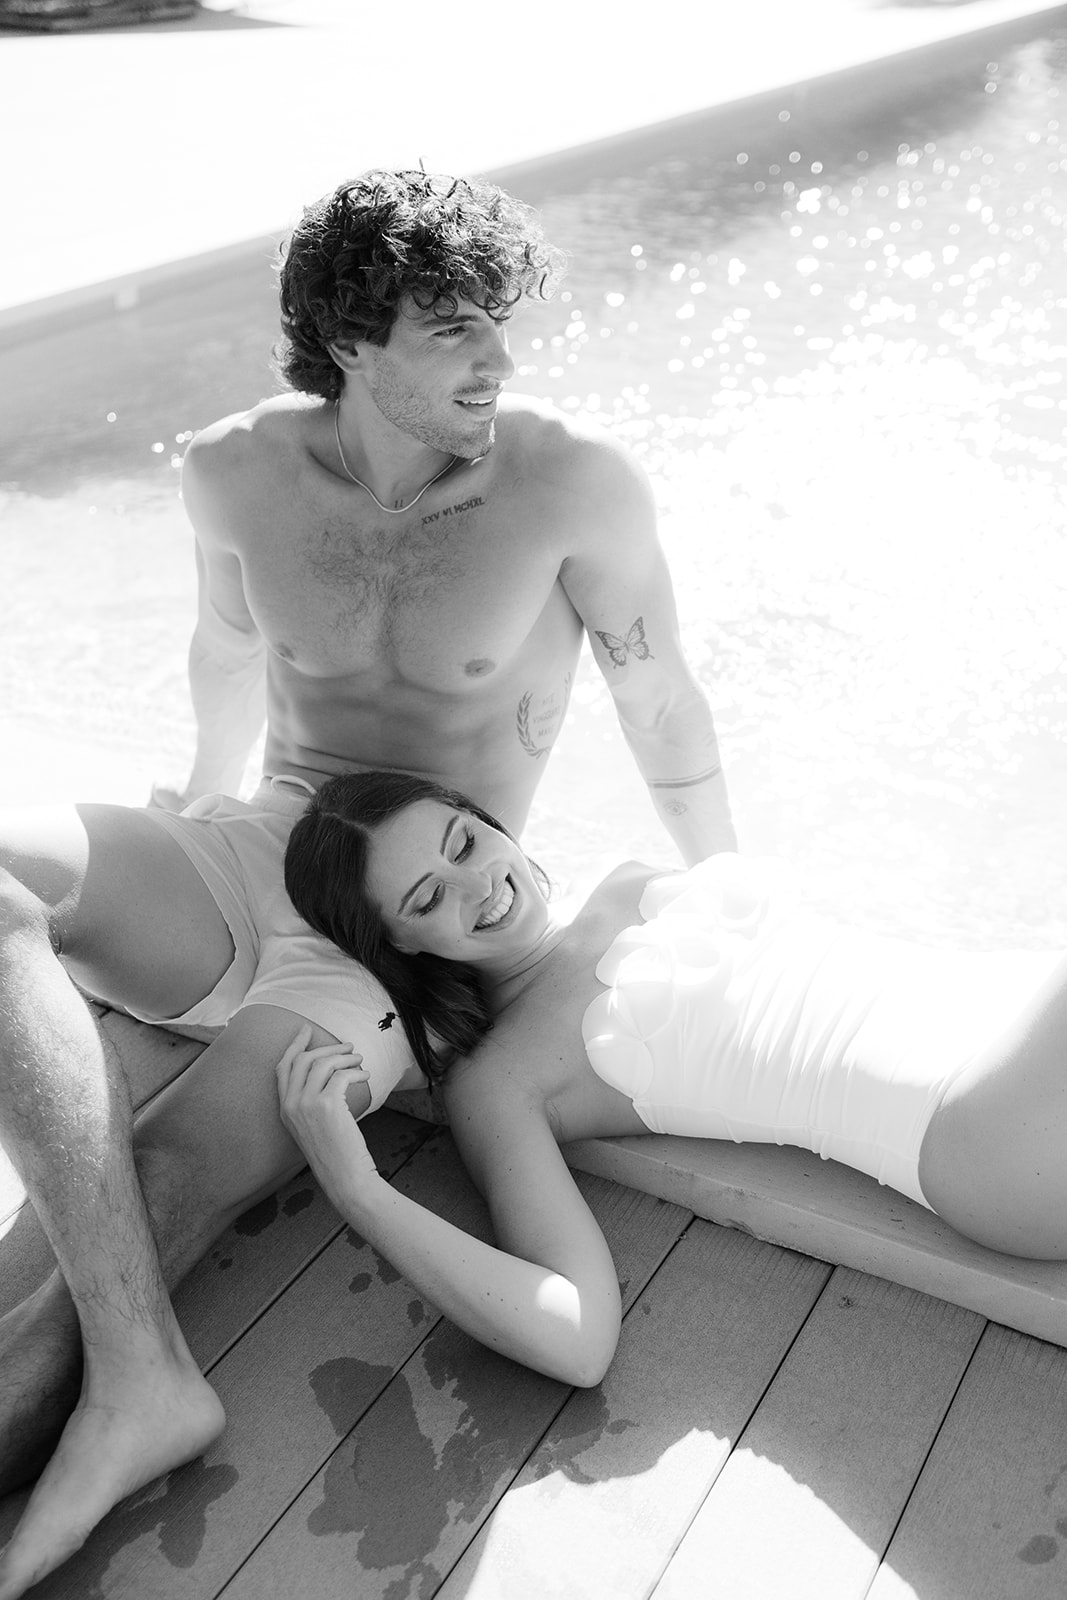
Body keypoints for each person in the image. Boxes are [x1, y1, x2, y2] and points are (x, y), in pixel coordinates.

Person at [0, 168, 735, 1598]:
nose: (498, 358)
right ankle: (144, 1373)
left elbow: (659, 703)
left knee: (161, 1186)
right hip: (258, 841)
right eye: (453, 328)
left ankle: (125, 1384)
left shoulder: (570, 484)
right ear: (347, 340)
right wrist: (193, 791)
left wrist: (730, 892)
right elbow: (226, 651)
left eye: (500, 323)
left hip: (397, 935)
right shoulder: (232, 469)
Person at [275, 769, 1067, 1385]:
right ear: (399, 944)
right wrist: (358, 1188)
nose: (478, 885)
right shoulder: (500, 1082)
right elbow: (578, 1337)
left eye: (464, 844)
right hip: (980, 1132)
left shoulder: (624, 880)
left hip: (1013, 1016)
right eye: (429, 898)